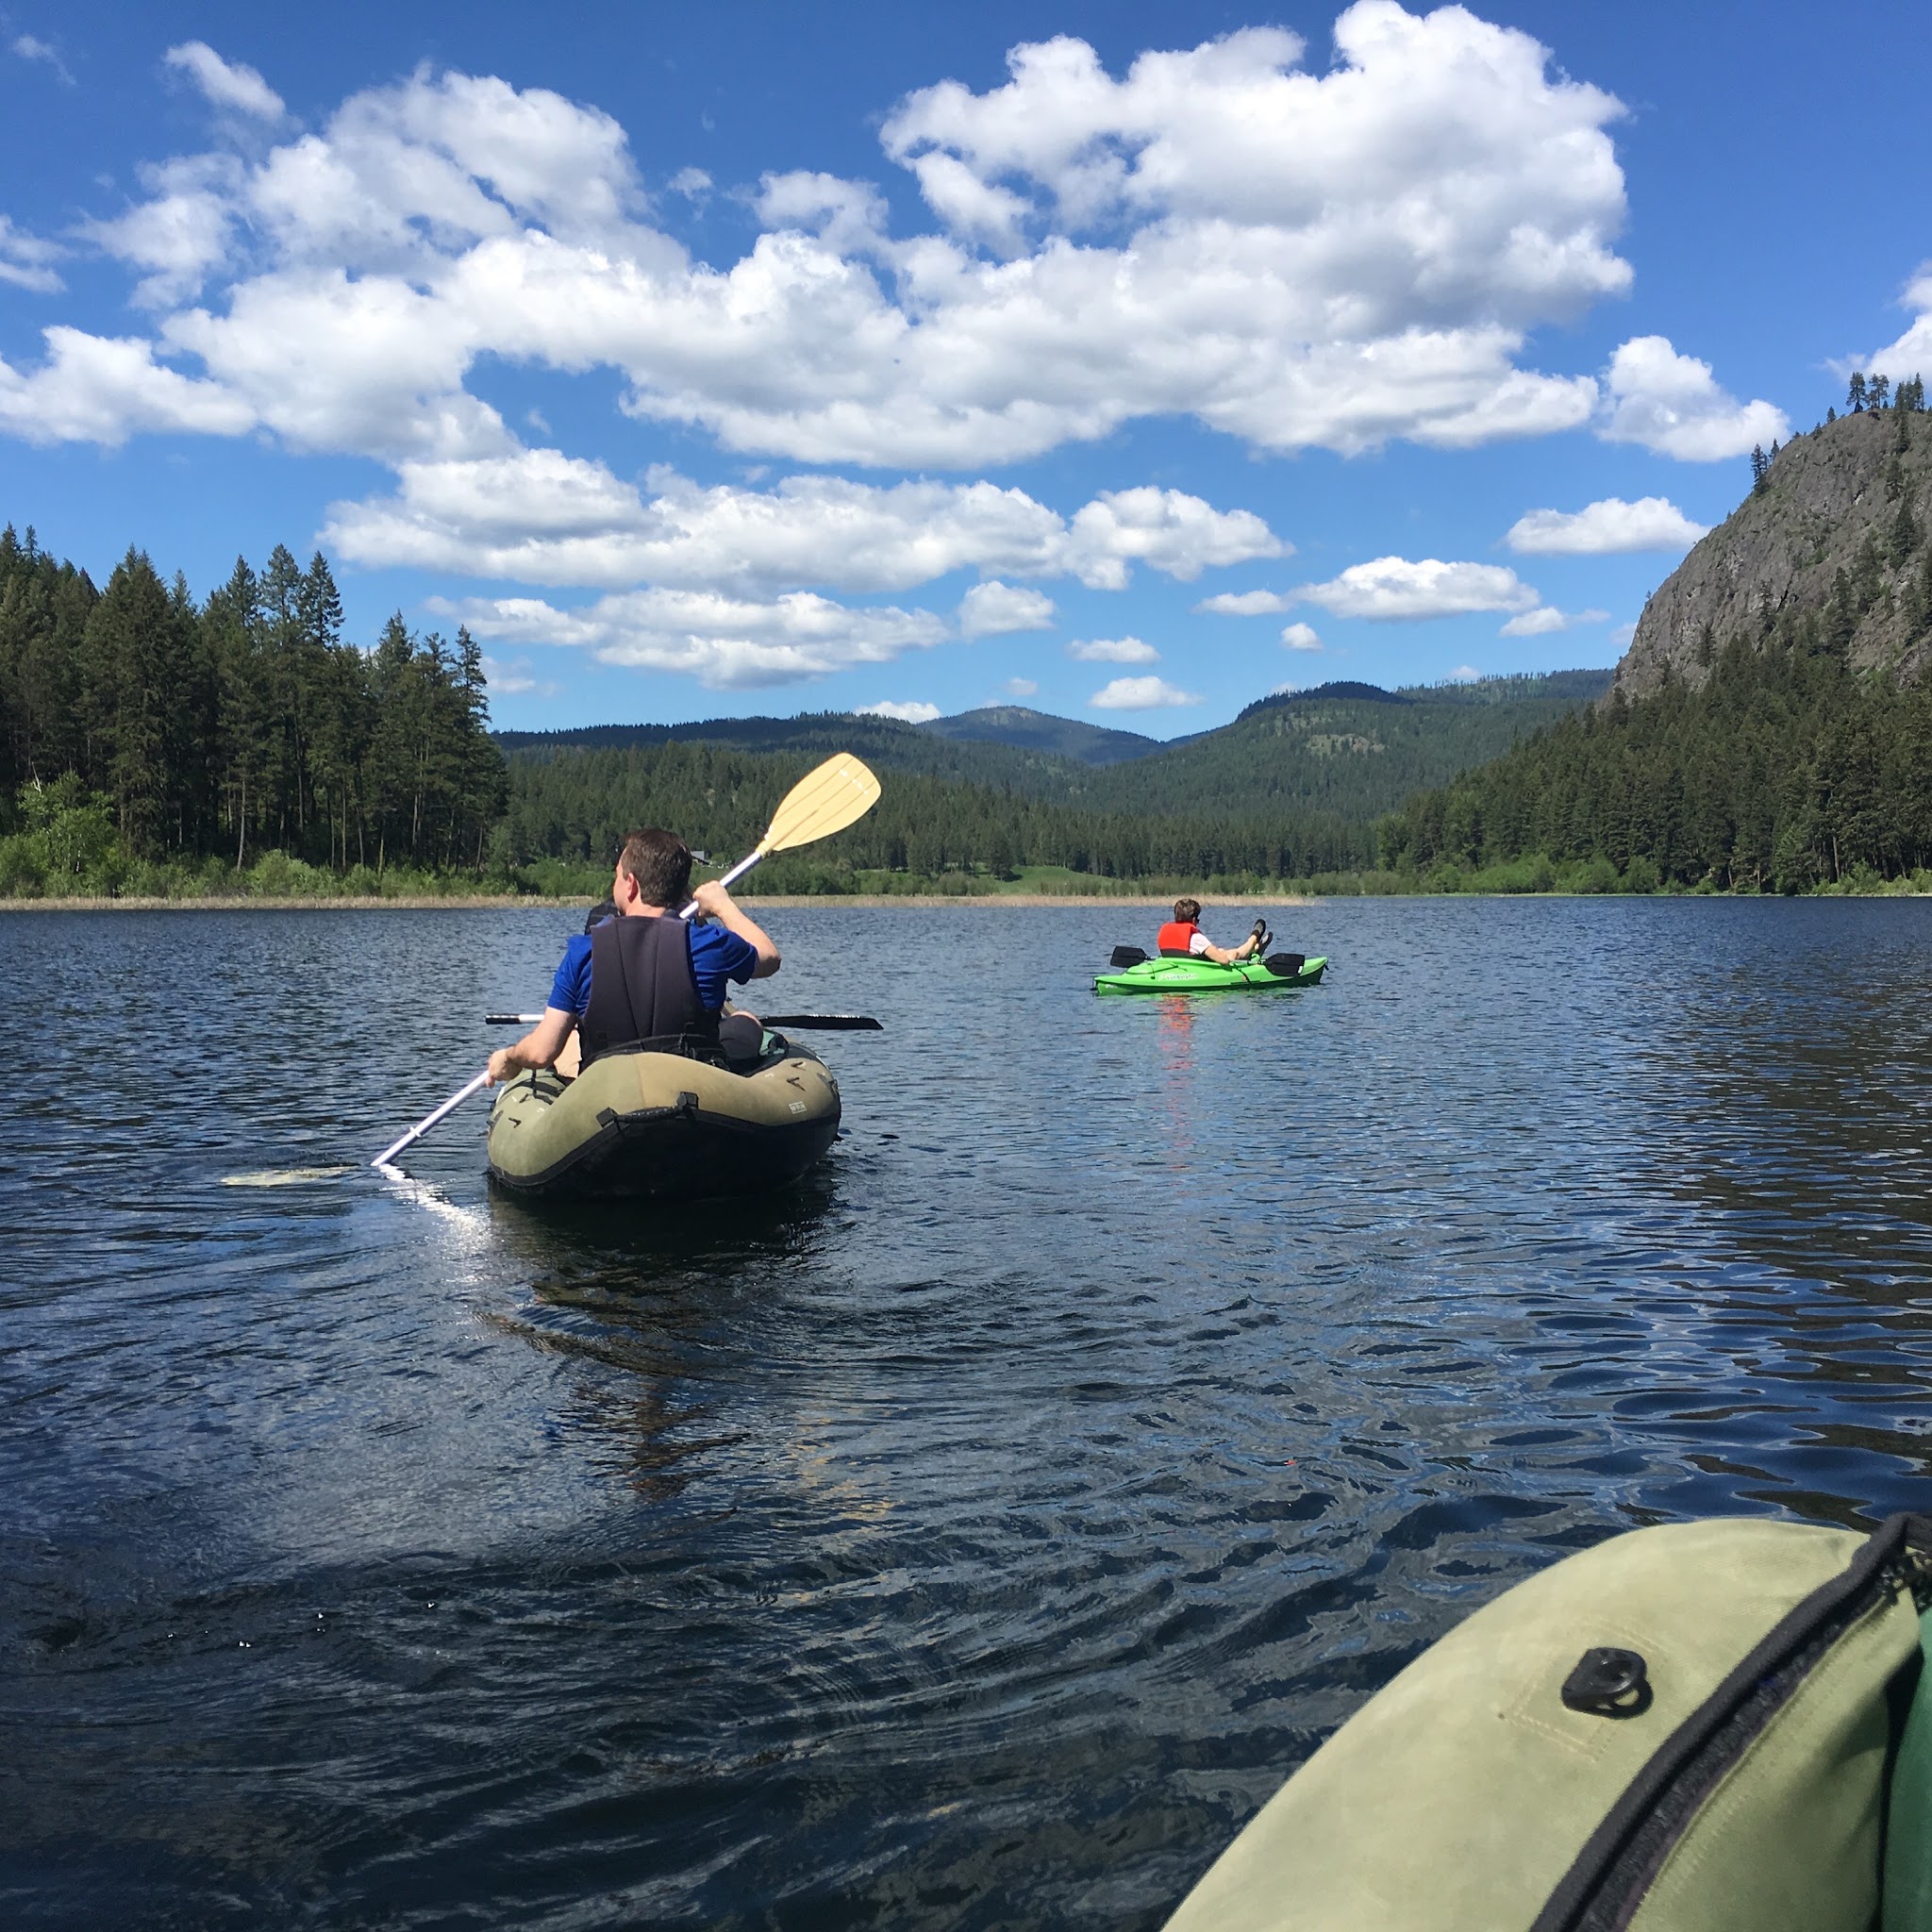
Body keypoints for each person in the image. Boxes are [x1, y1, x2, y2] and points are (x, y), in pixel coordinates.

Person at [486, 828, 780, 1086]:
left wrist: (510, 1056)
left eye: (617, 875)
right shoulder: (709, 944)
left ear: (631, 884)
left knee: (571, 1041)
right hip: (693, 1090)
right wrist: (722, 905)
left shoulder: (583, 952)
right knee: (743, 1019)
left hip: (609, 1096)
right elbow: (769, 958)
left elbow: (541, 1052)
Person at [1156, 896, 1263, 964]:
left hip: (1181, 966)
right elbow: (1224, 961)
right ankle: (1253, 940)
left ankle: (1253, 945)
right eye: (1197, 919)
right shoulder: (1196, 938)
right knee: (1233, 954)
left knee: (1220, 951)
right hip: (1198, 966)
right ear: (1193, 919)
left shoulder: (1165, 932)